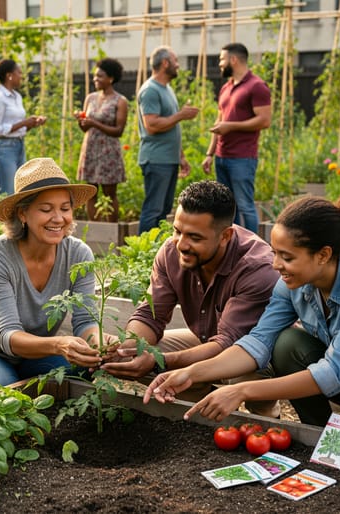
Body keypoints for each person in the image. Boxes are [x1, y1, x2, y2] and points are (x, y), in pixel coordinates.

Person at [145, 195, 340, 442]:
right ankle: (322, 439)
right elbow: (257, 343)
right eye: (274, 252)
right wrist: (190, 372)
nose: (275, 265)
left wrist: (241, 391)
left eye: (286, 257)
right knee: (286, 345)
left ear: (323, 255)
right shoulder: (294, 284)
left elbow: (333, 372)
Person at [101, 181, 280, 418]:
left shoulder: (257, 268)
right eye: (177, 230)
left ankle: (267, 417)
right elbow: (150, 316)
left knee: (245, 378)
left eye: (194, 237)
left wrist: (159, 362)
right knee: (136, 357)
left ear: (225, 235)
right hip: (204, 339)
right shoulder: (171, 252)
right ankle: (200, 415)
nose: (181, 244)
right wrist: (127, 349)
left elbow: (228, 343)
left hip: (252, 354)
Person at [0, 157, 112, 385]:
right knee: (3, 392)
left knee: (85, 371)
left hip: (34, 355)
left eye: (65, 208)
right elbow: (7, 335)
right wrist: (59, 344)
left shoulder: (78, 255)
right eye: (46, 209)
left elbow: (85, 320)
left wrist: (100, 344)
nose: (58, 218)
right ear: (22, 214)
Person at [201, 43, 271, 233]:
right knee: (228, 207)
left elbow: (264, 120)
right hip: (222, 157)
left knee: (246, 206)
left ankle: (254, 251)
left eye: (222, 60)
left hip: (242, 158)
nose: (220, 64)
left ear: (234, 59)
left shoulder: (257, 86)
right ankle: (235, 247)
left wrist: (231, 126)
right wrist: (210, 153)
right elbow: (219, 121)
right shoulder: (226, 87)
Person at [137, 46, 199, 234]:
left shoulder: (167, 89)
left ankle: (156, 254)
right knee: (153, 210)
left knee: (163, 210)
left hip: (168, 159)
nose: (178, 65)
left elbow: (171, 125)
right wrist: (180, 115)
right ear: (165, 63)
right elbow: (152, 125)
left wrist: (180, 156)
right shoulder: (150, 90)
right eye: (176, 61)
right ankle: (141, 251)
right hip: (156, 160)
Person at [75, 58, 129, 222]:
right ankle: (93, 228)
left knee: (110, 193)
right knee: (91, 192)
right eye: (95, 76)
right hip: (90, 149)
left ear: (110, 78)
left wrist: (94, 123)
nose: (95, 79)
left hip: (108, 151)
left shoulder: (120, 101)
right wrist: (81, 120)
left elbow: (118, 131)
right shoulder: (90, 98)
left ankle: (111, 230)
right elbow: (85, 128)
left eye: (100, 76)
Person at [0, 59, 47, 195]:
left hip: (19, 146)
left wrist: (32, 124)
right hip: (4, 150)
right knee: (8, 195)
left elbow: (18, 129)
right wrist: (23, 123)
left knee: (21, 193)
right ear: (9, 75)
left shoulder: (17, 97)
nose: (21, 76)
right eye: (19, 72)